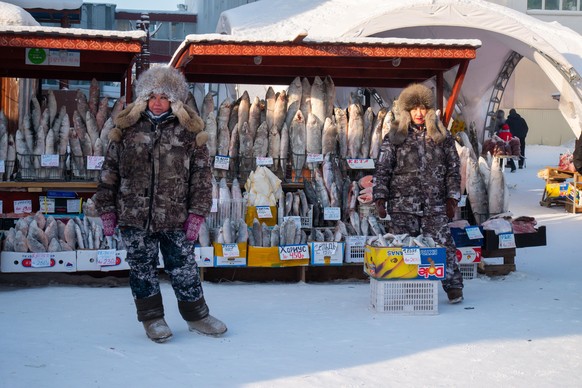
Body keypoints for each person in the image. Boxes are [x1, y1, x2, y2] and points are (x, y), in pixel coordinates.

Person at [93, 66, 227, 343]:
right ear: (143, 98)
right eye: (152, 95)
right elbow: (109, 172)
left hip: (175, 216)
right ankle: (152, 319)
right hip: (134, 215)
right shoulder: (126, 130)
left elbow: (202, 176)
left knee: (184, 268)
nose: (157, 101)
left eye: (163, 97)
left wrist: (197, 213)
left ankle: (197, 316)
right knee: (142, 269)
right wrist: (106, 208)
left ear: (174, 100)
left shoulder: (190, 133)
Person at [372, 83, 464, 304]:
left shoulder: (442, 136)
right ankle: (410, 287)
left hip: (435, 204)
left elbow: (453, 168)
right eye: (414, 109)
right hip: (403, 205)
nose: (419, 113)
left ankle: (453, 286)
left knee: (443, 245)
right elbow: (383, 168)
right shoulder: (394, 137)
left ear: (429, 110)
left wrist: (452, 197)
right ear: (406, 111)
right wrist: (380, 197)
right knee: (406, 248)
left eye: (423, 108)